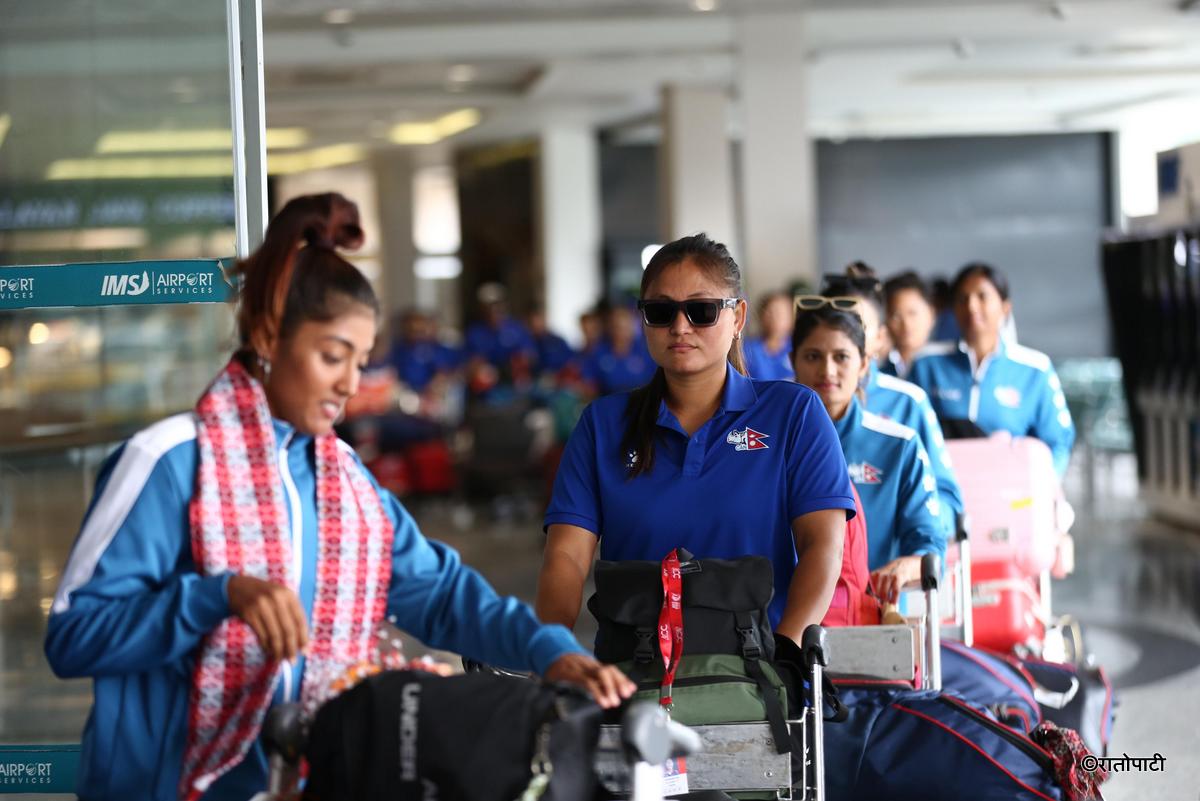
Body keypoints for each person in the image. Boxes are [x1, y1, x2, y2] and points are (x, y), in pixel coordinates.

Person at [44, 194, 633, 801]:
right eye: (332, 356)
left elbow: (438, 593)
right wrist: (217, 596)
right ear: (270, 336)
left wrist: (552, 651)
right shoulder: (169, 463)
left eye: (361, 361)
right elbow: (74, 635)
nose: (350, 383)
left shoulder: (344, 479)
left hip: (306, 785)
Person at [536, 233, 854, 639]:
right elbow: (566, 556)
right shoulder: (602, 425)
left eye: (702, 310)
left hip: (761, 676)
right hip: (634, 679)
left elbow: (822, 547)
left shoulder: (793, 414)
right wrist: (552, 652)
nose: (680, 327)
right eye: (660, 312)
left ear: (737, 318)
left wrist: (788, 656)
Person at [790, 299, 945, 604]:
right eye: (813, 356)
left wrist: (907, 566)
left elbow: (929, 545)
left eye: (841, 357)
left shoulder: (900, 446)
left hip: (867, 613)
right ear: (793, 360)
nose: (827, 370)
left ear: (863, 364)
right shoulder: (770, 444)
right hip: (784, 617)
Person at [819, 267, 964, 541]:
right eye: (835, 325)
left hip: (888, 575)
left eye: (857, 326)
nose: (844, 337)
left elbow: (946, 501)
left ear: (880, 338)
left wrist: (920, 540)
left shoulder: (908, 403)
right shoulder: (790, 403)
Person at [908, 262, 1076, 476]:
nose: (972, 306)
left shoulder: (1035, 370)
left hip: (1010, 495)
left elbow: (1058, 442)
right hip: (943, 494)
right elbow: (908, 432)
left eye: (982, 296)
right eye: (963, 298)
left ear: (1005, 308)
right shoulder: (926, 364)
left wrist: (1040, 490)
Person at [580, 302, 657, 396]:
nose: (620, 330)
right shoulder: (598, 353)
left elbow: (657, 384)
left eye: (624, 325)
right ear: (609, 327)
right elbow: (588, 385)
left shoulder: (646, 351)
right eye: (616, 325)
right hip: (607, 405)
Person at [384, 308, 463, 393]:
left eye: (418, 330)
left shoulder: (432, 347)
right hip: (406, 393)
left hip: (430, 393)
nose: (414, 332)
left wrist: (437, 383)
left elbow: (443, 370)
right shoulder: (398, 349)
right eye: (410, 329)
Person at [881, 270, 937, 379]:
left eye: (912, 313)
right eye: (896, 316)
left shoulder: (949, 369)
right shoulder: (879, 371)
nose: (906, 324)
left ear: (931, 314)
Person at [743, 290, 796, 380]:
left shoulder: (798, 347)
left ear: (791, 317)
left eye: (780, 313)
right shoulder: (747, 349)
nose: (775, 317)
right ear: (761, 316)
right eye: (770, 312)